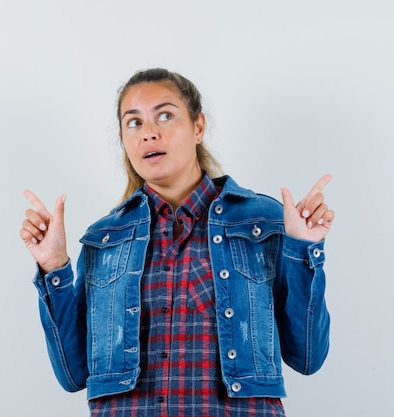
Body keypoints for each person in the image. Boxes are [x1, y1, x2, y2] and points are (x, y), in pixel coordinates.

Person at [19, 68, 334, 417]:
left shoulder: (263, 222)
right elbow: (73, 374)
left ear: (198, 127)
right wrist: (54, 267)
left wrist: (302, 249)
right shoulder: (104, 240)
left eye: (165, 116)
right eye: (134, 123)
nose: (149, 134)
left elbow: (307, 357)